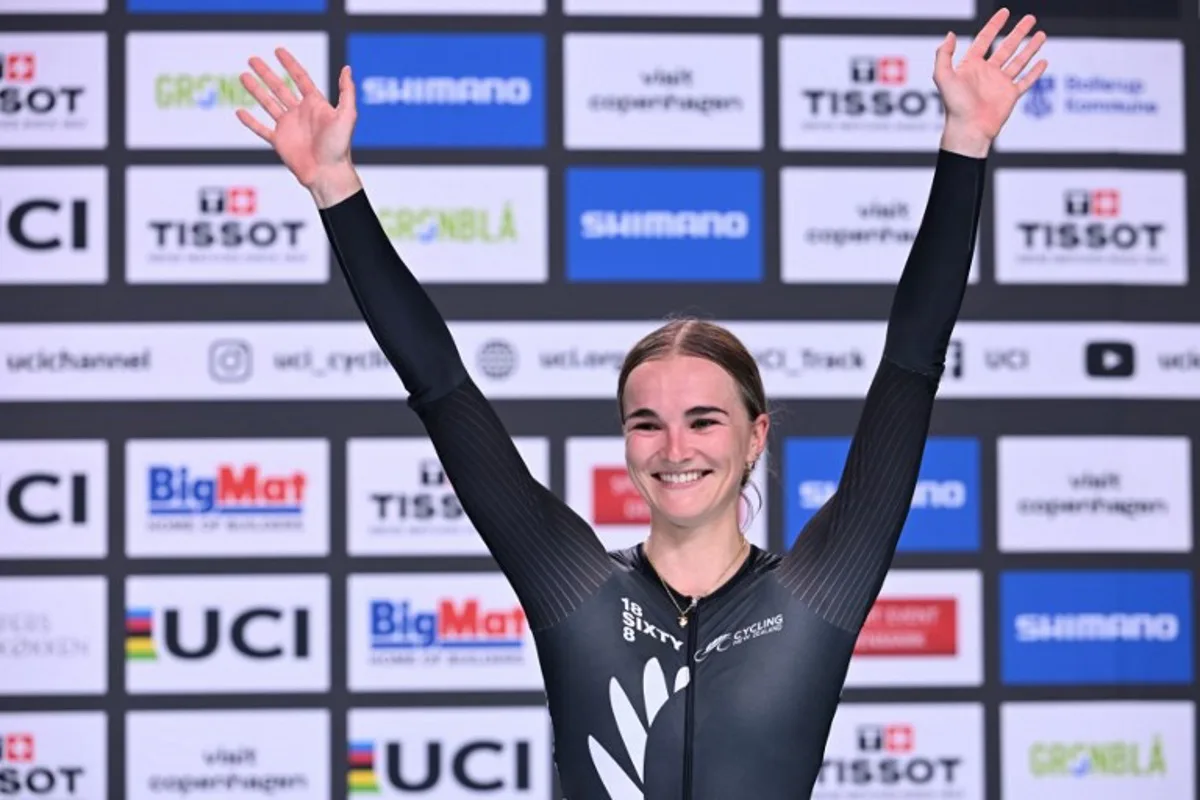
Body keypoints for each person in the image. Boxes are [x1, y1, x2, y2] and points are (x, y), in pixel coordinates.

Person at [237, 9, 1046, 799]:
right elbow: (442, 389)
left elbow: (911, 366)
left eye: (704, 419)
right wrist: (334, 185)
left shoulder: (820, 587)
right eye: (646, 422)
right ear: (624, 442)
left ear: (756, 435)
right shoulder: (573, 583)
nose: (674, 447)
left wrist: (966, 141)